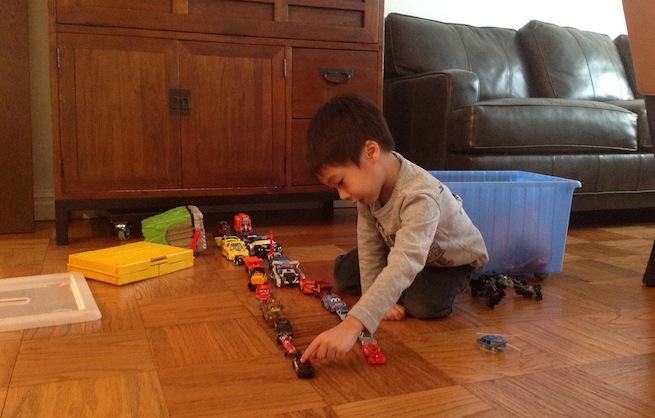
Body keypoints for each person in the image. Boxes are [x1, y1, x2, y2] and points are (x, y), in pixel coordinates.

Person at [300, 94, 489, 363]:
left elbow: (407, 261)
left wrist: (354, 324)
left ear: (371, 152)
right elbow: (368, 244)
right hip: (402, 249)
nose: (342, 195)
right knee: (344, 274)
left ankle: (398, 289)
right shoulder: (367, 190)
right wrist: (374, 299)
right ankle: (391, 289)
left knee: (423, 304)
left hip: (449, 262)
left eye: (341, 182)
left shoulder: (420, 195)